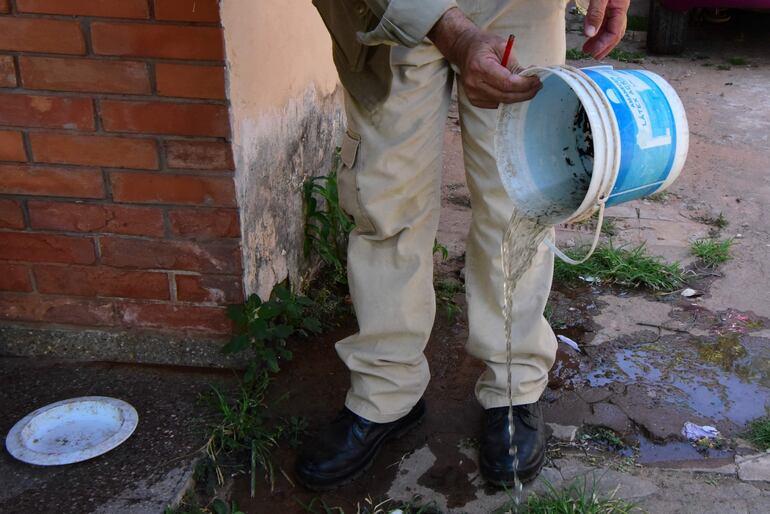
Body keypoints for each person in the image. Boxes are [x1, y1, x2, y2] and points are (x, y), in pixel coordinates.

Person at [296, 0, 630, 490]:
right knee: (385, 200)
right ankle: (386, 391)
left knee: (522, 196)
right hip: (393, 12)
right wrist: (453, 33)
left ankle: (513, 386)